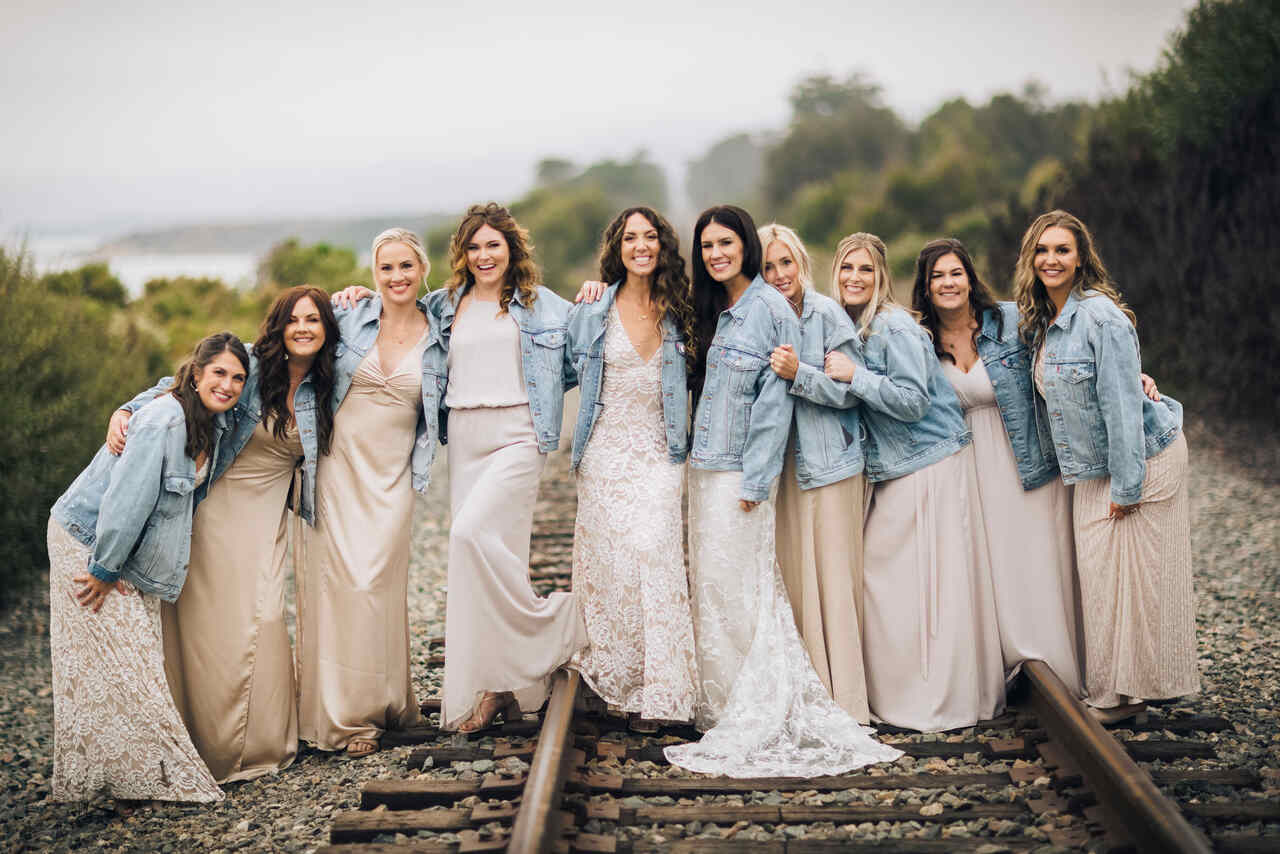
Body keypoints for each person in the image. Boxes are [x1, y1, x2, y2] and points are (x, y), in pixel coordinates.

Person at [662, 206, 901, 777]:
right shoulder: (718, 309)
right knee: (715, 587)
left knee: (743, 589)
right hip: (705, 466)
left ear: (744, 244)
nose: (717, 253)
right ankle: (720, 703)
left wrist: (757, 477)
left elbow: (775, 403)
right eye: (708, 245)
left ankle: (756, 702)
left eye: (727, 243)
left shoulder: (770, 309)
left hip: (739, 472)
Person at [107, 287, 339, 779]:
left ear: (326, 329)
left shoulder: (330, 382)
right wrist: (126, 408)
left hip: (266, 516)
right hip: (213, 508)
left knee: (265, 618)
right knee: (202, 628)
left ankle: (259, 745)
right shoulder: (251, 367)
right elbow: (179, 383)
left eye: (313, 320)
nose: (302, 329)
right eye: (293, 320)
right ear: (277, 328)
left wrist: (360, 296)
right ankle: (201, 749)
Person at [48, 331, 247, 804]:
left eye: (238, 377)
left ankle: (127, 780)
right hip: (89, 542)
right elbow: (126, 500)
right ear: (196, 373)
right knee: (126, 665)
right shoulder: (163, 419)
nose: (229, 385)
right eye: (218, 372)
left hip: (119, 551)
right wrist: (104, 568)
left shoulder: (209, 420)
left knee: (129, 662)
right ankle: (163, 778)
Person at [1014, 210, 1196, 723]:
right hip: (1098, 465)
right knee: (1103, 577)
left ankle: (1118, 698)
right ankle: (1125, 691)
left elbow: (1120, 407)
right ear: (1031, 258)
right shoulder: (1044, 319)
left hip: (1140, 459)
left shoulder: (1102, 317)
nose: (1051, 259)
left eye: (1062, 250)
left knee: (1120, 579)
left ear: (1080, 258)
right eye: (1042, 251)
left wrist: (1127, 484)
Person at [823, 233, 1004, 732]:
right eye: (846, 269)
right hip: (900, 468)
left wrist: (853, 376)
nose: (854, 278)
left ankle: (935, 702)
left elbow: (912, 401)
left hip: (930, 465)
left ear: (881, 276)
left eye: (864, 269)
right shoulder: (854, 327)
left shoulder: (893, 327)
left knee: (925, 587)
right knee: (895, 585)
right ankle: (908, 695)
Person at [426, 203, 587, 733]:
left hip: (519, 434)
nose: (483, 255)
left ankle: (556, 624)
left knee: (468, 535)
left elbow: (589, 345)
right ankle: (497, 687)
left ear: (512, 249)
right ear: (462, 254)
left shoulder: (543, 306)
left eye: (493, 245)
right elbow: (391, 316)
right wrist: (352, 299)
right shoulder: (446, 305)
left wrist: (595, 294)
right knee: (488, 562)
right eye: (473, 247)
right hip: (466, 437)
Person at [910, 238, 1084, 697]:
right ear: (925, 289)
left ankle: (1054, 664)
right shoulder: (919, 340)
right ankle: (1010, 663)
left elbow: (1066, 354)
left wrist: (1132, 373)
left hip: (1021, 455)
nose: (948, 284)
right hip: (965, 465)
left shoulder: (1009, 321)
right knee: (992, 565)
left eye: (955, 273)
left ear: (970, 278)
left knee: (1034, 556)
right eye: (937, 277)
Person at [301, 227, 444, 755]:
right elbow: (287, 347)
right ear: (373, 273)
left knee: (381, 587)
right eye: (386, 268)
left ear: (423, 268)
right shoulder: (349, 318)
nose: (396, 277)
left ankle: (389, 702)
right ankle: (346, 717)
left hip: (394, 477)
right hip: (340, 470)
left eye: (406, 266)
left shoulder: (441, 329)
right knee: (344, 589)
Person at [564, 206, 698, 729]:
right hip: (604, 453)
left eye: (649, 237)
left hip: (661, 451)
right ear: (617, 248)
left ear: (662, 245)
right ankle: (618, 677)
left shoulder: (682, 309)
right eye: (629, 238)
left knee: (654, 551)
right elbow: (550, 361)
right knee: (611, 567)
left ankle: (665, 689)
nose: (640, 246)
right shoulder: (593, 308)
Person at [758, 223, 872, 723]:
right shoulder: (758, 315)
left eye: (786, 262)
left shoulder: (824, 313)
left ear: (801, 261)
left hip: (829, 463)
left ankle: (843, 700)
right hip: (781, 466)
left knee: (830, 578)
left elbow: (850, 390)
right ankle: (798, 692)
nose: (780, 274)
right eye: (768, 266)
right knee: (793, 576)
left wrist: (798, 374)